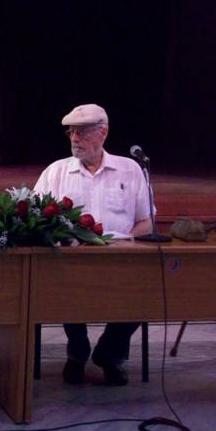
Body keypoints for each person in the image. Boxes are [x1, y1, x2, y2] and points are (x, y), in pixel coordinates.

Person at [33, 103, 152, 387]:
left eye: (82, 132)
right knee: (61, 284)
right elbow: (35, 220)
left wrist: (123, 247)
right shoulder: (56, 172)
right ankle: (78, 351)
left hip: (121, 262)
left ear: (103, 133)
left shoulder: (130, 169)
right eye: (71, 132)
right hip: (72, 264)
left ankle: (109, 354)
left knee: (148, 291)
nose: (75, 139)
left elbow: (147, 222)